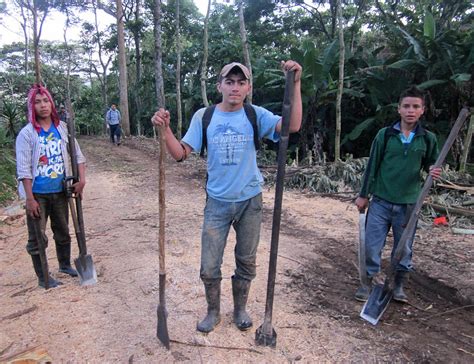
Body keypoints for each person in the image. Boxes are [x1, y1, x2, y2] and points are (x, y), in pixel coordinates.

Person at [152, 60, 302, 333]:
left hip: (250, 201)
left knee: (246, 259)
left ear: (248, 87)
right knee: (209, 265)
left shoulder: (255, 115)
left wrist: (296, 83)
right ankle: (213, 311)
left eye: (241, 82)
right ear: (219, 85)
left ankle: (240, 308)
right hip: (217, 202)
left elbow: (291, 126)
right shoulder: (205, 116)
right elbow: (180, 154)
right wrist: (165, 131)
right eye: (229, 82)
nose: (235, 87)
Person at [354, 86, 441, 303]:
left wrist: (433, 170)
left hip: (409, 203)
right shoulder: (385, 135)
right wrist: (363, 195)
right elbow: (372, 166)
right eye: (406, 106)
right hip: (381, 201)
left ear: (423, 110)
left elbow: (432, 163)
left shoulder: (428, 139)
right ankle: (368, 282)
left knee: (404, 248)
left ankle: (398, 284)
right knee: (371, 245)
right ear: (399, 109)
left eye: (416, 106)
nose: (411, 110)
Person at [16, 84, 86, 289]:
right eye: (37, 102)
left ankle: (65, 265)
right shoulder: (27, 134)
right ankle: (43, 276)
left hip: (61, 190)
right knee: (38, 236)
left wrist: (81, 180)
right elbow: (23, 169)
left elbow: (78, 156)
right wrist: (29, 198)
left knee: (63, 231)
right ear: (32, 107)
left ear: (52, 104)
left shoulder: (62, 129)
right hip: (38, 193)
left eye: (46, 101)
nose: (43, 105)